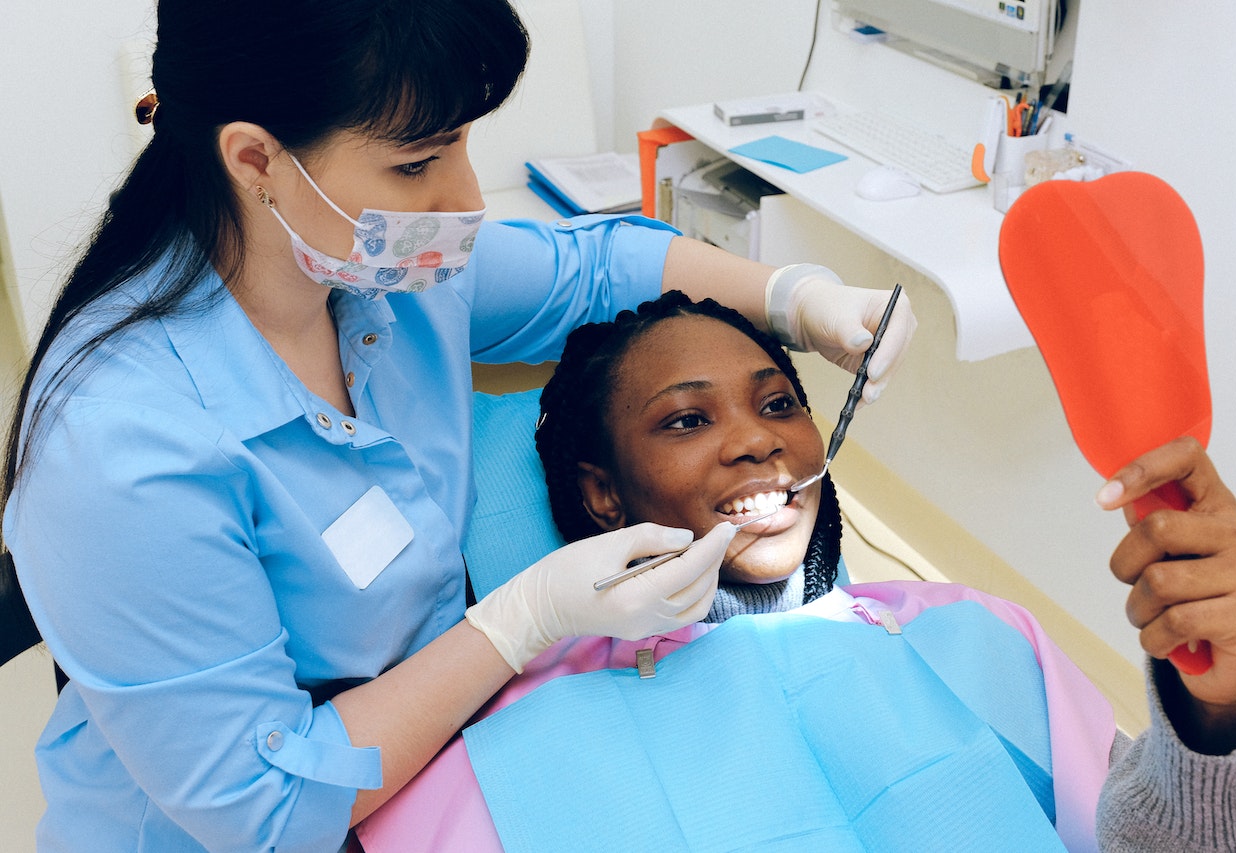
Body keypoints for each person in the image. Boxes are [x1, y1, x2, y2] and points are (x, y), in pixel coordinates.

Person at [0, 3, 917, 851]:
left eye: (462, 146)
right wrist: (521, 623)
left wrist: (799, 299)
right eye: (415, 164)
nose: (463, 197)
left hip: (436, 783)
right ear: (255, 159)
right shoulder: (118, 446)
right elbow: (263, 805)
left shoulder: (388, 274)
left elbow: (592, 272)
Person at [356, 292, 1236, 852]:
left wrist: (1220, 707)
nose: (756, 437)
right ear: (601, 495)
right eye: (686, 420)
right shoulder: (513, 738)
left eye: (778, 403)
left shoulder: (974, 634)